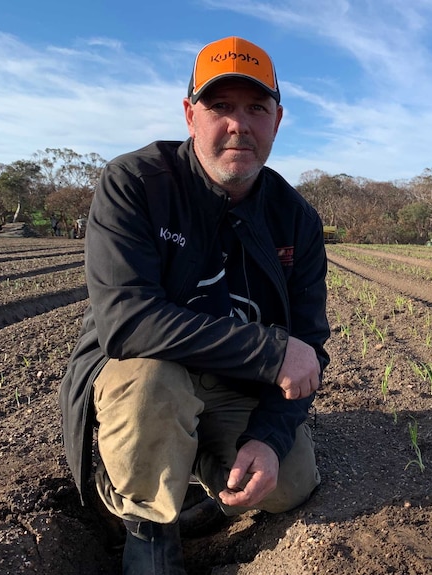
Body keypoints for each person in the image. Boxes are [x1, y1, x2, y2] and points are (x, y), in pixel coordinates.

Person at [59, 36, 330, 574]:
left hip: (233, 385)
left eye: (256, 108)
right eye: (220, 106)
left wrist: (272, 438)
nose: (239, 124)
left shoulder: (296, 219)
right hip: (145, 375)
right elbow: (127, 321)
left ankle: (204, 494)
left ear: (278, 120)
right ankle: (148, 531)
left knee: (291, 483)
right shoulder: (135, 184)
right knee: (150, 386)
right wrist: (270, 350)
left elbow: (310, 345)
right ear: (189, 115)